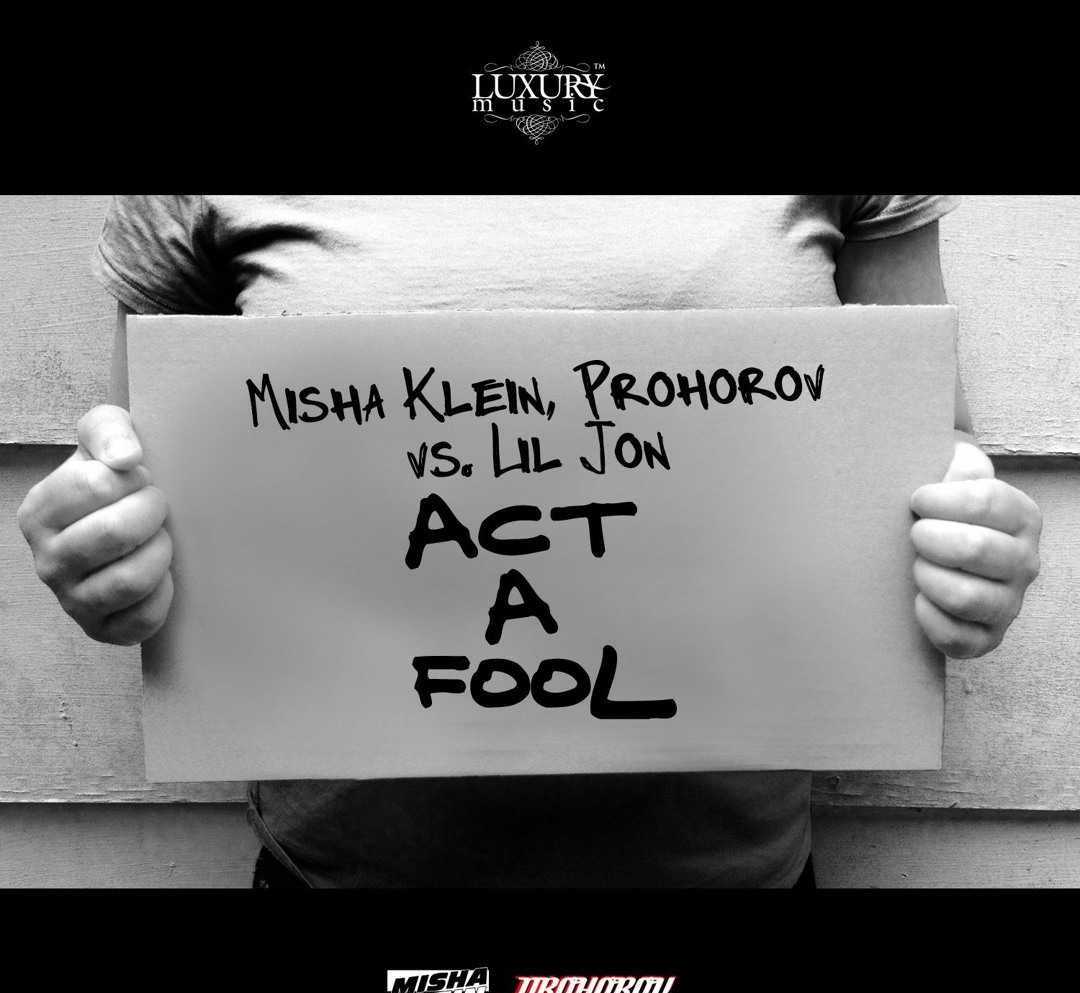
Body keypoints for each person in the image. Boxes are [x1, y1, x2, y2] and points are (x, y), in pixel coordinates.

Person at [16, 196, 1043, 888]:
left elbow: (925, 446)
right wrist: (107, 546)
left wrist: (972, 551)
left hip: (736, 876)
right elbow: (148, 464)